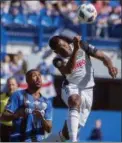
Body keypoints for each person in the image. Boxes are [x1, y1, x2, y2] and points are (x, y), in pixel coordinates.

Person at [43, 35, 118, 142]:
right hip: (70, 87)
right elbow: (69, 70)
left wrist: (110, 66)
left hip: (88, 90)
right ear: (56, 52)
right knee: (74, 100)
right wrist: (76, 51)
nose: (65, 48)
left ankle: (47, 141)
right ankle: (75, 140)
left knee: (65, 135)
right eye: (60, 48)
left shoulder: (82, 45)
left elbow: (104, 57)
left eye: (64, 44)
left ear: (66, 41)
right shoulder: (57, 60)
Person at [0, 69, 53, 142]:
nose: (38, 78)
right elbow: (3, 117)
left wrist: (41, 118)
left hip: (37, 140)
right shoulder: (17, 95)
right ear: (27, 80)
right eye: (34, 76)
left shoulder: (47, 102)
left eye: (39, 75)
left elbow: (49, 129)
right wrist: (16, 115)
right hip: (18, 139)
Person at [0, 77, 18, 142]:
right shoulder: (1, 96)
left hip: (18, 128)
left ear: (17, 85)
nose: (11, 87)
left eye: (13, 84)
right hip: (4, 129)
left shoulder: (23, 96)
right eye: (9, 85)